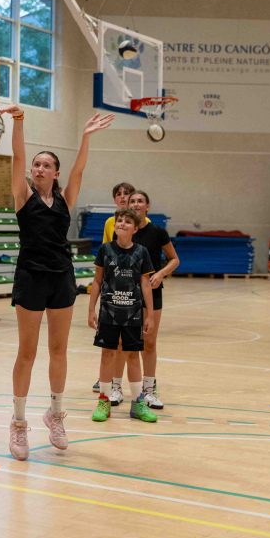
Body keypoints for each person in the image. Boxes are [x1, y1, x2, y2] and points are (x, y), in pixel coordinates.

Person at [0, 103, 114, 460]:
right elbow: (17, 157)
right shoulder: (23, 196)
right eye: (36, 164)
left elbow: (79, 170)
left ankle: (55, 414)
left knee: (59, 350)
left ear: (55, 172)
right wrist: (20, 122)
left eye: (46, 165)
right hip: (30, 276)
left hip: (62, 276)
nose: (38, 168)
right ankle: (19, 423)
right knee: (27, 352)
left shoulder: (66, 199)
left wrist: (85, 137)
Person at [106, 190, 179, 409]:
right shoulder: (123, 231)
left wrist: (160, 273)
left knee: (149, 342)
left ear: (147, 206)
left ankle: (148, 390)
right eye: (132, 201)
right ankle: (116, 388)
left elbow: (174, 259)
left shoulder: (157, 232)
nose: (136, 204)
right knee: (121, 343)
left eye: (140, 201)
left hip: (151, 292)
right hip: (125, 294)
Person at [88, 207, 158, 424]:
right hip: (108, 312)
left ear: (135, 229)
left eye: (128, 222)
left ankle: (137, 403)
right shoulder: (105, 249)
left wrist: (150, 315)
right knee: (107, 354)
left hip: (132, 313)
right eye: (119, 220)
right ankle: (104, 401)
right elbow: (97, 280)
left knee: (133, 356)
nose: (122, 224)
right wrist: (91, 309)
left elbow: (145, 284)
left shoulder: (141, 252)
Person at [93, 181, 138, 393]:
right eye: (118, 194)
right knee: (109, 343)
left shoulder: (142, 223)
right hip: (112, 289)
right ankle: (107, 379)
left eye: (126, 193)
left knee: (130, 344)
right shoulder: (110, 223)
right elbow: (106, 253)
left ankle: (131, 385)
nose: (122, 197)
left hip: (132, 292)